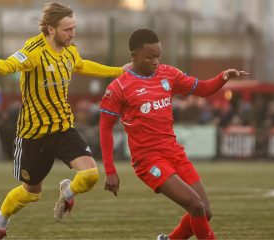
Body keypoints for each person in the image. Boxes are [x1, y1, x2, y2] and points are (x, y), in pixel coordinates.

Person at [0, 2, 130, 239]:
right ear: (50, 29)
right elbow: (10, 65)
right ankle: (0, 219)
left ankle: (68, 192)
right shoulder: (33, 49)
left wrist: (118, 71)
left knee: (90, 176)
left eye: (74, 28)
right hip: (33, 134)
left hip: (63, 127)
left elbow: (82, 65)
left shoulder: (70, 50)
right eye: (67, 29)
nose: (72, 33)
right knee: (31, 193)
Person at [99, 29, 248, 240]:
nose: (156, 61)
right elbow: (105, 127)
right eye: (150, 56)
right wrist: (110, 170)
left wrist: (223, 77)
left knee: (205, 212)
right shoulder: (119, 87)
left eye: (158, 55)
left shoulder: (168, 73)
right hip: (148, 160)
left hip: (173, 152)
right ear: (134, 56)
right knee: (195, 206)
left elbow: (202, 88)